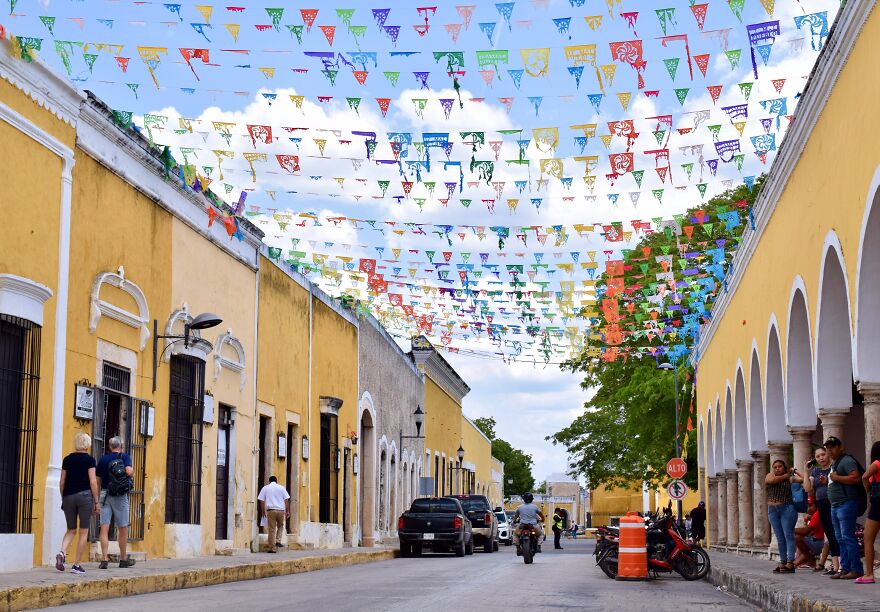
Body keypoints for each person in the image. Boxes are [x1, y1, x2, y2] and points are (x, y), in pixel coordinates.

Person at [56, 433, 99, 574]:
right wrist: (96, 501)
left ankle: (62, 552)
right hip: (84, 496)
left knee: (71, 529)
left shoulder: (67, 459)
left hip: (68, 496)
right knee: (83, 532)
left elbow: (62, 482)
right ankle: (76, 565)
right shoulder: (90, 460)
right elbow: (93, 481)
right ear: (87, 445)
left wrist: (64, 498)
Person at [824, 436, 864, 579]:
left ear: (840, 447)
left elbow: (856, 478)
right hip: (836, 505)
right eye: (828, 449)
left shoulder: (847, 460)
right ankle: (845, 568)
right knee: (840, 538)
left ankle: (856, 569)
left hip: (846, 504)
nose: (830, 451)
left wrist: (836, 478)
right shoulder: (836, 463)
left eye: (833, 447)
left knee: (848, 537)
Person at [96, 436, 136, 569]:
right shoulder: (125, 457)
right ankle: (123, 559)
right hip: (119, 495)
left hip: (105, 494)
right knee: (123, 527)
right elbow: (129, 472)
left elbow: (98, 481)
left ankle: (104, 559)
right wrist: (131, 474)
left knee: (104, 527)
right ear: (121, 446)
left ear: (109, 446)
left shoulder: (103, 459)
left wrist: (97, 499)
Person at [803, 446, 840, 574]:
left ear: (828, 454)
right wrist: (806, 472)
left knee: (836, 533)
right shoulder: (816, 471)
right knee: (829, 534)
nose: (821, 458)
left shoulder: (834, 467)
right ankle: (835, 566)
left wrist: (827, 481)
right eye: (818, 456)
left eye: (823, 454)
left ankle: (840, 565)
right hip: (822, 504)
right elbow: (808, 488)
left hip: (833, 502)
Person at [765, 458, 803, 573]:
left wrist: (794, 471)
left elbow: (804, 479)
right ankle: (783, 561)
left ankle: (790, 562)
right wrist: (786, 476)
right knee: (779, 537)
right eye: (775, 467)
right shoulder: (770, 476)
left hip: (787, 508)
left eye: (780, 466)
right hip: (772, 509)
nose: (777, 469)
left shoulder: (790, 478)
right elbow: (770, 481)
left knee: (788, 535)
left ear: (785, 468)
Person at [856, 440, 880, 584]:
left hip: (878, 504)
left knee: (868, 539)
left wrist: (869, 491)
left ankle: (869, 574)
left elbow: (864, 477)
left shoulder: (877, 463)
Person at [257, 476, 290, 552]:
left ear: (269, 481)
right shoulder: (281, 487)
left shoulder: (265, 488)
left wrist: (263, 511)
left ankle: (272, 547)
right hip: (281, 510)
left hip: (271, 510)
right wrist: (288, 511)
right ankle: (278, 541)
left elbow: (261, 500)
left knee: (272, 529)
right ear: (276, 481)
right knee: (281, 526)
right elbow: (286, 499)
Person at [793, 497, 825, 569]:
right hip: (817, 542)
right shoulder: (814, 515)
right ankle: (796, 563)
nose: (808, 509)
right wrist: (805, 521)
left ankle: (808, 562)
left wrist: (789, 529)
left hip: (820, 543)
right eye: (807, 506)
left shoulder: (817, 514)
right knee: (800, 540)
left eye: (810, 506)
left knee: (797, 538)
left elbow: (806, 531)